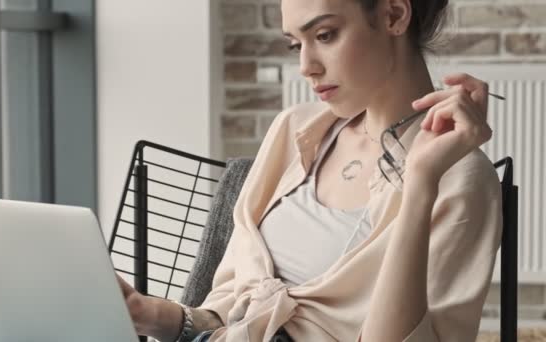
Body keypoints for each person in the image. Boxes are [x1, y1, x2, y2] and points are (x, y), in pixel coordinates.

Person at [117, 0, 504, 341]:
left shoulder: (459, 180)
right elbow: (229, 313)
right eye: (295, 44)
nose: (306, 66)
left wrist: (420, 183)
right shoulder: (295, 130)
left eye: (325, 34)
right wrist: (148, 313)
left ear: (394, 14)